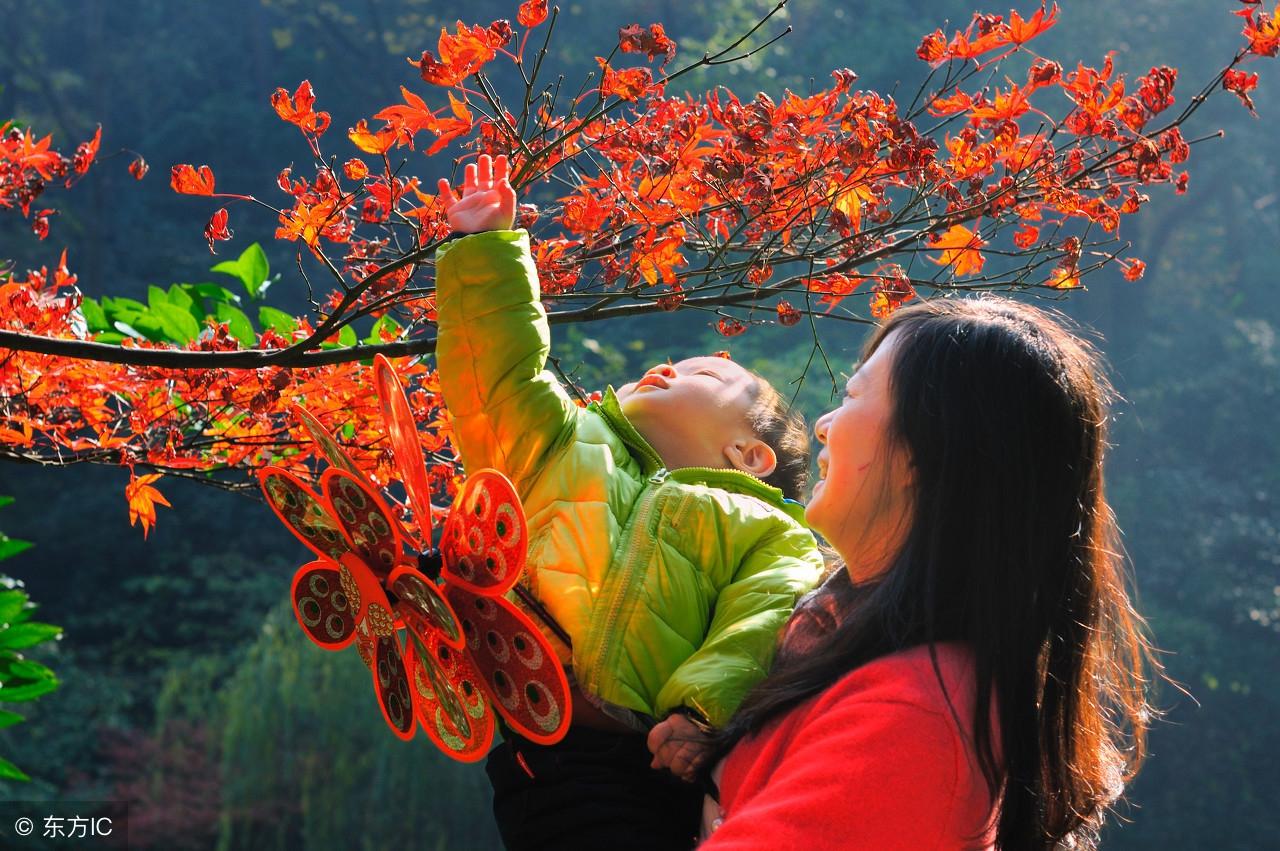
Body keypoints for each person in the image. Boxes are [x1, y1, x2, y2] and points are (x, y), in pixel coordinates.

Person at [432, 154, 825, 850]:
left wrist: (703, 713)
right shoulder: (567, 439)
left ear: (750, 455)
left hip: (648, 757)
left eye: (707, 373)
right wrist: (485, 249)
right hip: (535, 736)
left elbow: (760, 623)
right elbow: (497, 375)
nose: (669, 365)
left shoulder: (766, 527)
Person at [699, 297, 1159, 850]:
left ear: (922, 450)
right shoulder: (818, 620)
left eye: (851, 396)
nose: (823, 426)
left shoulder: (914, 717)